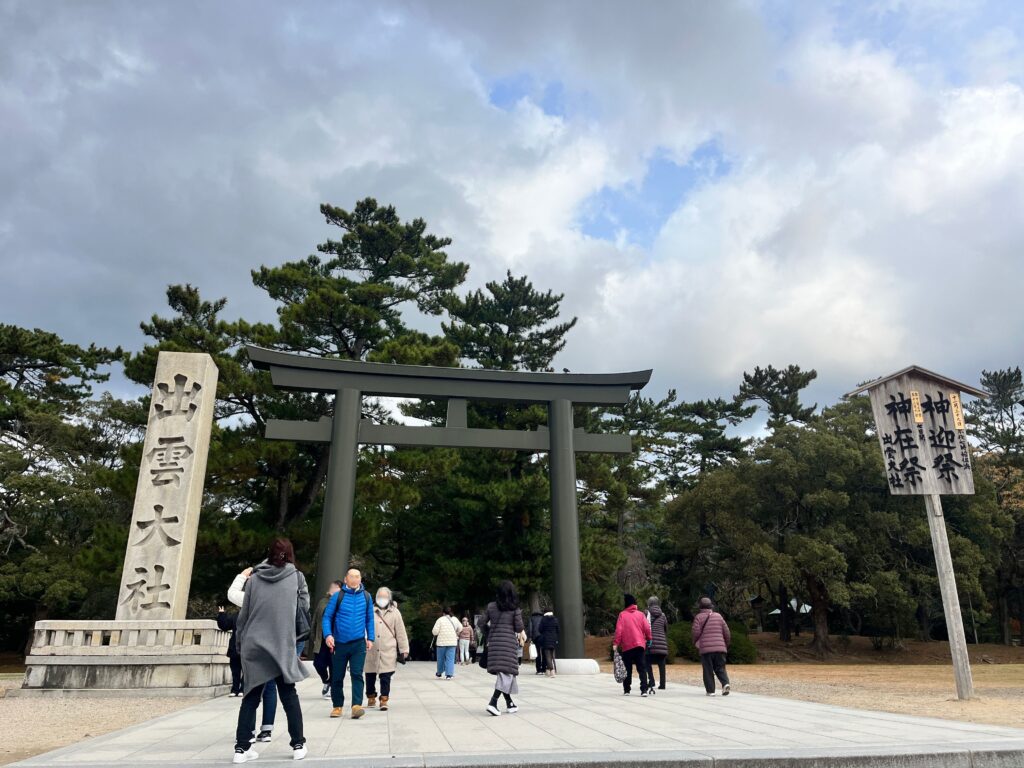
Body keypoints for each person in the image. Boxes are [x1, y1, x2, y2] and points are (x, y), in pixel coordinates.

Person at [232, 538, 308, 763]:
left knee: (251, 697)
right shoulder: (297, 577)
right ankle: (298, 744)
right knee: (288, 695)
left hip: (254, 643)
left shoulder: (254, 579)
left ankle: (241, 749)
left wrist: (240, 643)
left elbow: (244, 615)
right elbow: (304, 607)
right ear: (290, 553)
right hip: (281, 642)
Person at [228, 566, 278, 743]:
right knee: (270, 687)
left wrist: (242, 575)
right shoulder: (274, 597)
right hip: (271, 646)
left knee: (251, 689)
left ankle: (248, 730)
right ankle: (267, 729)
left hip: (252, 647)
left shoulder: (249, 598)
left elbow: (232, 593)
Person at [323, 568, 375, 719]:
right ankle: (337, 706)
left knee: (357, 674)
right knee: (337, 676)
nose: (354, 579)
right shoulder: (337, 596)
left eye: (357, 577)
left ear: (360, 579)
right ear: (346, 579)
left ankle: (356, 706)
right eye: (351, 577)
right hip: (339, 642)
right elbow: (327, 617)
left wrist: (370, 638)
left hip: (359, 643)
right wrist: (328, 635)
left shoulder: (366, 596)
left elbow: (369, 619)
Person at [478, 580, 525, 716]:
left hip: (494, 644)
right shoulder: (514, 608)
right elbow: (519, 628)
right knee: (507, 673)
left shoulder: (491, 606)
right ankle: (493, 702)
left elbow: (480, 622)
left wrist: (489, 632)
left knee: (505, 673)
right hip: (508, 645)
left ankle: (510, 703)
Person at [365, 586, 409, 710]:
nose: (381, 599)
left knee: (386, 676)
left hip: (388, 649)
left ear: (389, 598)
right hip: (371, 649)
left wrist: (404, 649)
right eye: (379, 596)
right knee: (370, 675)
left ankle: (384, 699)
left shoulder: (395, 612)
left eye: (384, 597)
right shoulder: (369, 610)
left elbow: (401, 632)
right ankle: (371, 697)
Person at [613, 594, 652, 696]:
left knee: (627, 668)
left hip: (627, 646)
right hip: (640, 645)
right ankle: (644, 690)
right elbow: (647, 628)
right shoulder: (641, 615)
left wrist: (616, 643)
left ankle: (627, 690)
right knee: (642, 668)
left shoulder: (622, 615)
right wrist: (649, 638)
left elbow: (619, 630)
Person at [693, 596, 731, 696]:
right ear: (711, 606)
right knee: (720, 668)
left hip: (706, 649)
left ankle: (710, 691)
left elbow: (695, 633)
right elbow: (727, 632)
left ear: (700, 607)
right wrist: (725, 645)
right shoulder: (718, 616)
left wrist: (695, 643)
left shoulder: (698, 617)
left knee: (708, 670)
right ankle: (725, 683)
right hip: (720, 648)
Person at [310, 580, 342, 698]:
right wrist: (313, 636)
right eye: (333, 587)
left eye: (337, 588)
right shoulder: (323, 601)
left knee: (333, 664)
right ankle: (326, 680)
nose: (333, 589)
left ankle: (332, 687)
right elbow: (315, 619)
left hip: (336, 639)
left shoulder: (342, 602)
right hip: (322, 639)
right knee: (318, 663)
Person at [216, 605, 242, 696]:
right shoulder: (235, 616)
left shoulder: (252, 616)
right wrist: (221, 614)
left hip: (248, 647)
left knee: (247, 671)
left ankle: (242, 689)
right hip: (235, 646)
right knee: (235, 670)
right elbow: (225, 626)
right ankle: (235, 689)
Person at [645, 596, 669, 692]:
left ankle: (651, 681)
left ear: (649, 604)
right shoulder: (663, 615)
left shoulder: (646, 614)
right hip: (661, 643)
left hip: (650, 643)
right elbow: (666, 629)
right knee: (662, 664)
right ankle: (662, 684)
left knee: (647, 662)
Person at [431, 607, 461, 679]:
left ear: (443, 612)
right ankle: (449, 675)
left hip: (441, 642)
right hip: (452, 642)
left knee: (440, 658)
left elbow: (435, 632)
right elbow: (460, 628)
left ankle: (439, 673)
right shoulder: (455, 619)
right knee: (450, 659)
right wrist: (456, 632)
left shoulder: (440, 620)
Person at [539, 610, 560, 677]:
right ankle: (547, 671)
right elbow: (558, 630)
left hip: (546, 639)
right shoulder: (555, 619)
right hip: (554, 639)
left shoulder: (543, 620)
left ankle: (552, 671)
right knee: (552, 655)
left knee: (548, 656)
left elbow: (540, 629)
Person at [528, 609, 545, 675]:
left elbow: (530, 628)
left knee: (537, 653)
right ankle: (544, 669)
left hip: (536, 637)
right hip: (543, 636)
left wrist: (530, 637)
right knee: (544, 653)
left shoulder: (531, 618)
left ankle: (538, 670)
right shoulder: (543, 618)